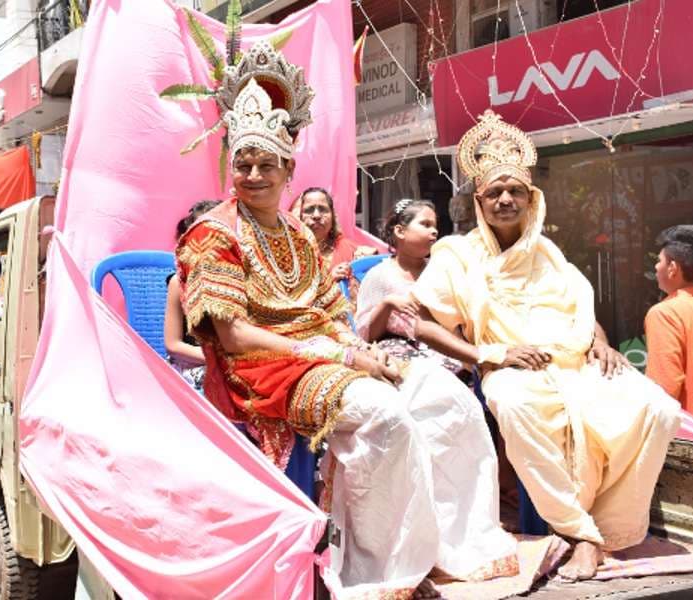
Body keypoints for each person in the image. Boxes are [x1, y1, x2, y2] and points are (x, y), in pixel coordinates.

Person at [176, 42, 516, 598]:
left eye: (267, 163)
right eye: (243, 163)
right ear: (230, 167)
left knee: (447, 401)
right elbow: (232, 334)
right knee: (388, 419)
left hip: (323, 358)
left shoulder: (298, 236)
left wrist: (364, 351)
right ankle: (380, 571)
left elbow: (331, 313)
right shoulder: (212, 234)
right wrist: (343, 356)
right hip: (259, 373)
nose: (254, 173)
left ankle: (442, 547)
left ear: (289, 167)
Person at [410, 110, 681, 581]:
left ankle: (613, 530)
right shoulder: (456, 254)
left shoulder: (549, 252)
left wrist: (601, 342)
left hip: (577, 363)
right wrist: (490, 355)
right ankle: (581, 535)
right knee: (515, 407)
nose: (506, 199)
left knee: (657, 408)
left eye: (515, 190)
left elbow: (579, 307)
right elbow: (424, 325)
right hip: (513, 369)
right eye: (495, 192)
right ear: (480, 200)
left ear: (531, 197)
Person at [355, 199, 463, 375]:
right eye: (425, 224)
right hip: (399, 350)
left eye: (435, 226)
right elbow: (367, 336)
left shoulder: (440, 269)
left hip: (444, 345)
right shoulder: (380, 275)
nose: (434, 231)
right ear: (400, 231)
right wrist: (387, 305)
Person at [164, 199, 221, 392]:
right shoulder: (179, 284)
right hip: (193, 366)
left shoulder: (239, 280)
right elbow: (173, 345)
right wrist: (217, 360)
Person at [645, 224, 693, 414]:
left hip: (689, 436)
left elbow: (664, 392)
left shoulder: (666, 314)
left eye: (659, 261)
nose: (656, 268)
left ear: (672, 268)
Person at [298, 186, 375, 282]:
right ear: (298, 216)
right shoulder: (289, 253)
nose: (316, 215)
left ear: (333, 216)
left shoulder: (351, 250)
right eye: (309, 210)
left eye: (323, 209)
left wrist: (369, 261)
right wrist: (329, 280)